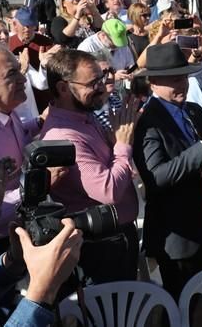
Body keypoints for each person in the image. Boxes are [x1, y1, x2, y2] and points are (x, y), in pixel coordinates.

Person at [41, 49, 139, 284]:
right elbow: (108, 191)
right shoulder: (65, 136)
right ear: (64, 88)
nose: (103, 87)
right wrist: (123, 145)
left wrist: (114, 142)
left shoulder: (84, 115)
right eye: (93, 82)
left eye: (102, 78)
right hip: (101, 249)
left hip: (115, 239)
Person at [132, 43, 202, 300]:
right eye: (172, 80)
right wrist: (201, 151)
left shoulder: (194, 111)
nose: (181, 84)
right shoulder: (148, 122)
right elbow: (156, 176)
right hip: (176, 236)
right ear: (153, 82)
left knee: (195, 300)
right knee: (179, 303)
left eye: (183, 77)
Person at [0, 40, 43, 240]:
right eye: (12, 74)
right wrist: (36, 186)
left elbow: (17, 138)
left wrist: (39, 122)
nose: (23, 79)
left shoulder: (4, 110)